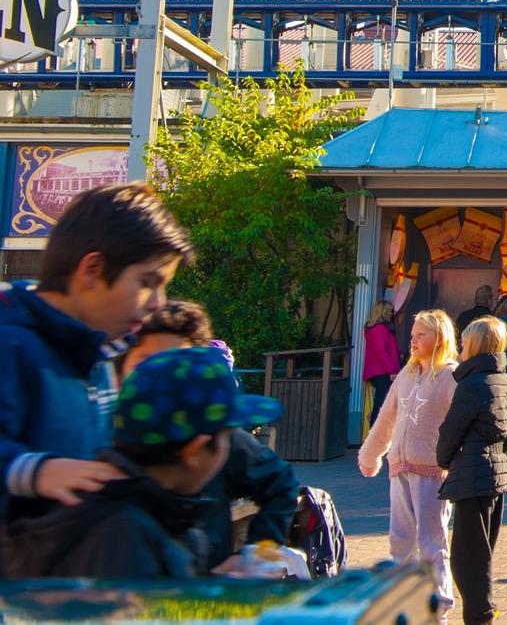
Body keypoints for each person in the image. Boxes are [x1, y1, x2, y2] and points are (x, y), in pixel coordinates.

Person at [0, 182, 192, 530]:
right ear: (92, 269)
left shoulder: (99, 357)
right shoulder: (11, 346)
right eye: (148, 282)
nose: (157, 303)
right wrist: (37, 471)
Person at [1, 345, 280, 580]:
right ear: (194, 451)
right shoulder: (122, 537)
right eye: (226, 437)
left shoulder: (137, 510)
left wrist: (211, 586)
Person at [127, 301, 301, 574]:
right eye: (147, 360)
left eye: (178, 359)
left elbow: (280, 483)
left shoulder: (218, 432)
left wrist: (258, 554)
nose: (162, 373)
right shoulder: (108, 433)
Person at [358, 307, 459, 616]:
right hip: (399, 468)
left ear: (439, 338)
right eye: (412, 336)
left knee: (432, 539)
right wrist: (370, 454)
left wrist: (457, 464)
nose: (413, 341)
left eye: (420, 335)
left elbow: (461, 423)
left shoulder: (451, 375)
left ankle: (438, 604)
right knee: (400, 539)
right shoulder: (406, 374)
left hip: (432, 471)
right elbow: (386, 418)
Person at [438, 316, 507, 625]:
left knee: (467, 557)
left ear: (473, 346)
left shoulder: (471, 385)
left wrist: (446, 459)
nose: (461, 350)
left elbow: (451, 431)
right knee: (482, 549)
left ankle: (480, 615)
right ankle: (481, 612)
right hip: (496, 473)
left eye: (464, 345)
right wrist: (498, 450)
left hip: (472, 473)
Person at [363, 300, 403, 431]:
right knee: (381, 403)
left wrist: (399, 354)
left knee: (382, 402)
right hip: (382, 371)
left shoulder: (377, 328)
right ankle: (375, 434)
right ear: (384, 312)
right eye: (390, 311)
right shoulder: (380, 328)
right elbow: (382, 351)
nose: (392, 313)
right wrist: (391, 370)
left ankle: (376, 433)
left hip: (380, 370)